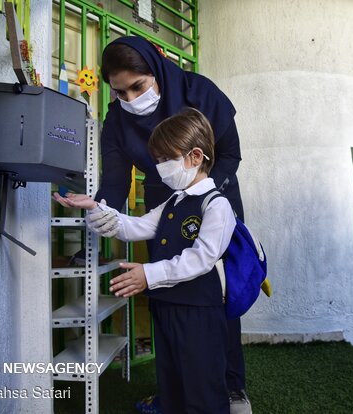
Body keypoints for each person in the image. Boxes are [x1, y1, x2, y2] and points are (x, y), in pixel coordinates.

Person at [60, 35, 251, 413]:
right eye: (119, 92)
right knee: (167, 295)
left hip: (215, 188)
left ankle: (230, 388)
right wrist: (98, 211)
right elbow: (115, 186)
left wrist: (203, 193)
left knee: (216, 296)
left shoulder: (199, 92)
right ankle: (174, 391)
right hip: (164, 198)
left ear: (156, 71)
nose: (130, 99)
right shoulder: (116, 120)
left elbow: (230, 152)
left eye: (138, 87)